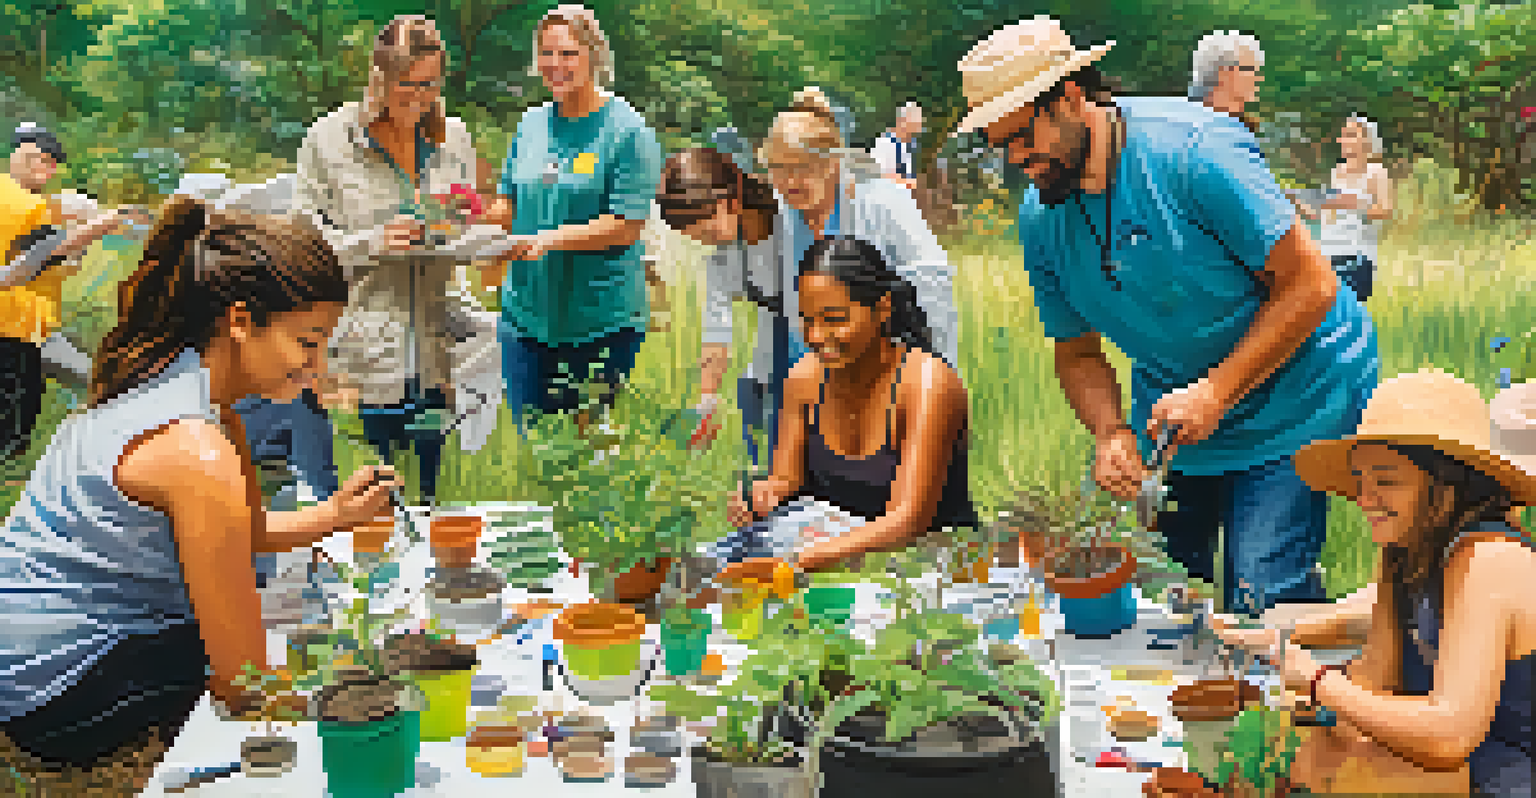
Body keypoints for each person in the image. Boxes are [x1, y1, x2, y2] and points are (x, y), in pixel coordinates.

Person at [957, 17, 1378, 615]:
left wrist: (1218, 390)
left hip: (1298, 391)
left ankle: (1303, 700)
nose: (1018, 158)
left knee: (1261, 587)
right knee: (1162, 595)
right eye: (1002, 145)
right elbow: (1076, 348)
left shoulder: (1193, 154)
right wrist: (1110, 432)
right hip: (1181, 414)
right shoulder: (1042, 216)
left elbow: (1311, 285)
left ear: (1072, 97)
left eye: (1024, 135)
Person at [0, 197, 401, 796]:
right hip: (55, 687)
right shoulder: (196, 449)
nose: (317, 368)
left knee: (286, 620)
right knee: (308, 655)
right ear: (240, 321)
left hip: (33, 653)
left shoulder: (182, 392)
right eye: (307, 343)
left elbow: (244, 531)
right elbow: (245, 684)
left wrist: (339, 515)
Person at [1211, 370, 1534, 797]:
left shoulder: (1490, 560)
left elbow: (1451, 735)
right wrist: (1294, 713)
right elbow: (1374, 678)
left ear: (1446, 485)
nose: (1365, 499)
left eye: (1385, 481)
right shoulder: (1405, 550)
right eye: (1360, 481)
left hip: (1505, 768)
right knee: (1274, 754)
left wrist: (1318, 680)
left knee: (1339, 775)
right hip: (1446, 760)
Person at [295, 15, 486, 504]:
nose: (420, 99)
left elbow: (460, 213)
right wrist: (372, 242)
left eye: (430, 85)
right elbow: (301, 245)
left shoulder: (453, 137)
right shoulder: (328, 140)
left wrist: (462, 229)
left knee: (430, 495)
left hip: (436, 349)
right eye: (408, 86)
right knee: (365, 501)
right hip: (362, 350)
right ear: (378, 78)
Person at [714, 87, 956, 470]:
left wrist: (936, 377)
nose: (791, 181)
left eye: (803, 168)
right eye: (779, 169)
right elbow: (731, 275)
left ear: (832, 164)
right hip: (801, 358)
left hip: (878, 356)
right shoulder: (774, 210)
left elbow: (932, 287)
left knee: (880, 473)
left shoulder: (881, 201)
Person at [718, 236, 976, 573]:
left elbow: (908, 520)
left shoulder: (927, 383)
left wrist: (796, 562)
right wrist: (761, 495)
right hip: (830, 551)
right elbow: (785, 479)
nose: (815, 336)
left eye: (834, 319)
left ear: (883, 308)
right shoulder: (804, 379)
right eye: (806, 320)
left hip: (926, 562)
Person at [480, 4, 663, 432]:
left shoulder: (628, 132)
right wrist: (474, 225)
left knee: (585, 458)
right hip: (525, 320)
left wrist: (547, 240)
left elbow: (626, 224)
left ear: (593, 57)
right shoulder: (530, 124)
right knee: (537, 447)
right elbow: (509, 199)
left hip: (599, 324)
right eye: (547, 53)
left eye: (567, 53)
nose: (555, 64)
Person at [1, 124, 144, 458]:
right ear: (20, 156)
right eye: (39, 159)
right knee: (18, 403)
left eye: (51, 162)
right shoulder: (22, 204)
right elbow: (40, 256)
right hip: (14, 324)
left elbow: (45, 258)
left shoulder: (29, 202)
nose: (47, 169)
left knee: (30, 394)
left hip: (30, 324)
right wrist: (101, 226)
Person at [658, 146, 781, 461]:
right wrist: (706, 404)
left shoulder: (794, 226)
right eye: (696, 236)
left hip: (816, 374)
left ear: (729, 204)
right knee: (760, 478)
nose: (705, 241)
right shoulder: (723, 260)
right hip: (763, 376)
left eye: (709, 230)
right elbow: (716, 332)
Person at [1296, 115, 1393, 304]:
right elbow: (1334, 212)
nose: (1342, 140)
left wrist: (1355, 206)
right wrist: (1306, 209)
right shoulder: (1337, 171)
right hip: (1328, 254)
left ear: (1366, 140)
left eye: (1350, 135)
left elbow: (1384, 209)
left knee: (1348, 315)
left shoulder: (1376, 172)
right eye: (1342, 135)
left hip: (1356, 257)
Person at [1189, 30, 1265, 132]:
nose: (1258, 78)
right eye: (1249, 69)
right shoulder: (1189, 126)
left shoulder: (1245, 129)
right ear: (1223, 72)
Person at [871, 102, 922, 191]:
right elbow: (880, 175)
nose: (919, 124)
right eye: (916, 120)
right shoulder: (884, 143)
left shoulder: (912, 145)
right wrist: (909, 183)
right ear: (903, 121)